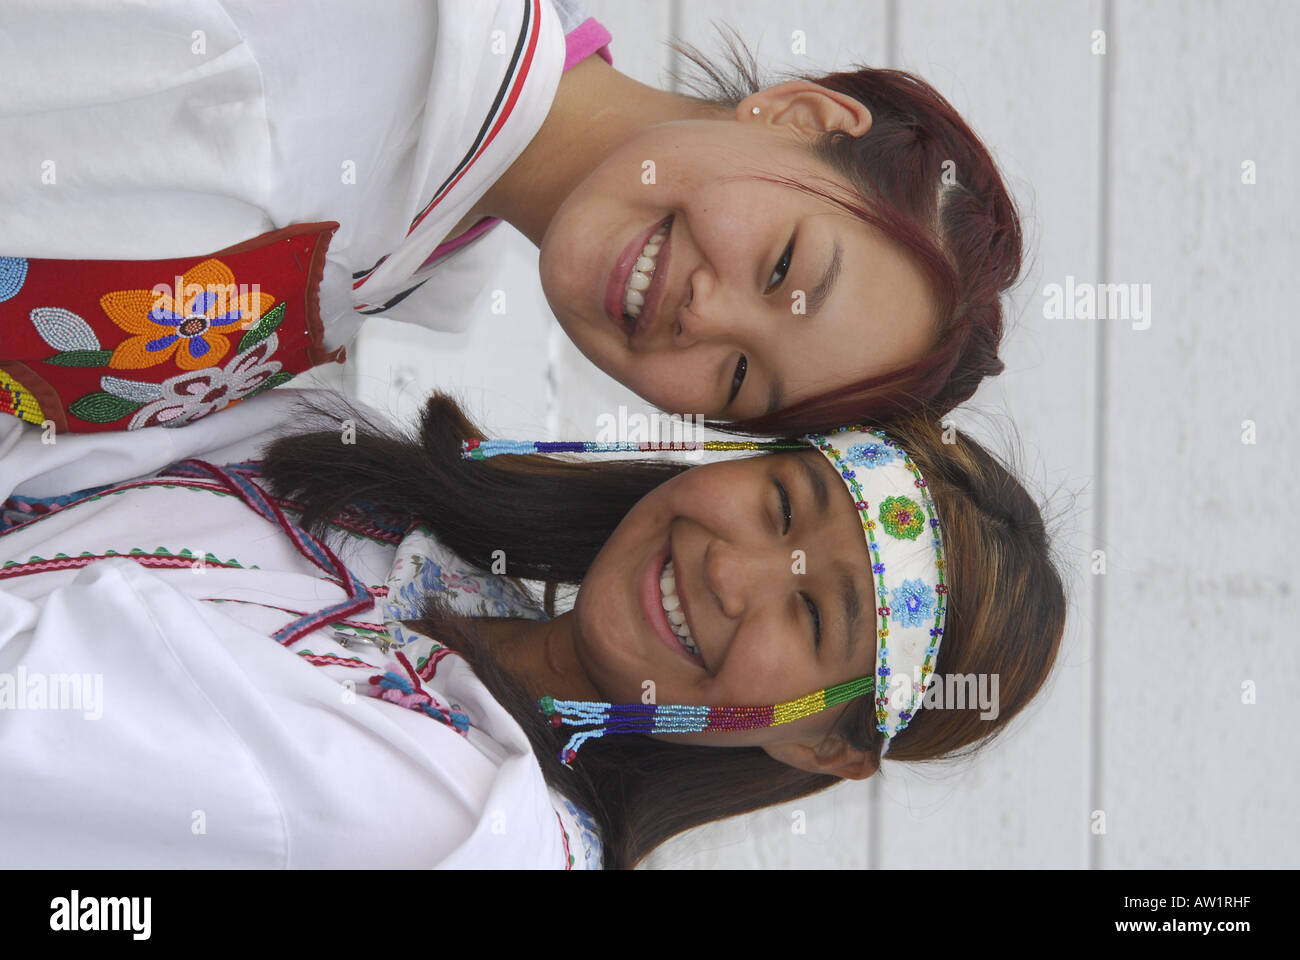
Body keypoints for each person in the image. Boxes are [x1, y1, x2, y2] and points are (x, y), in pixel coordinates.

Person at [0, 388, 1065, 868]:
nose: (730, 568)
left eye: (814, 612)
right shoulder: (359, 478)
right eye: (782, 503)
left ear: (817, 741)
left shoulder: (475, 830)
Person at [1, 0, 1021, 435]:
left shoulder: (415, 250)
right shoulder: (346, 32)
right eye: (782, 268)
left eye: (743, 379)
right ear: (800, 116)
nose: (704, 316)